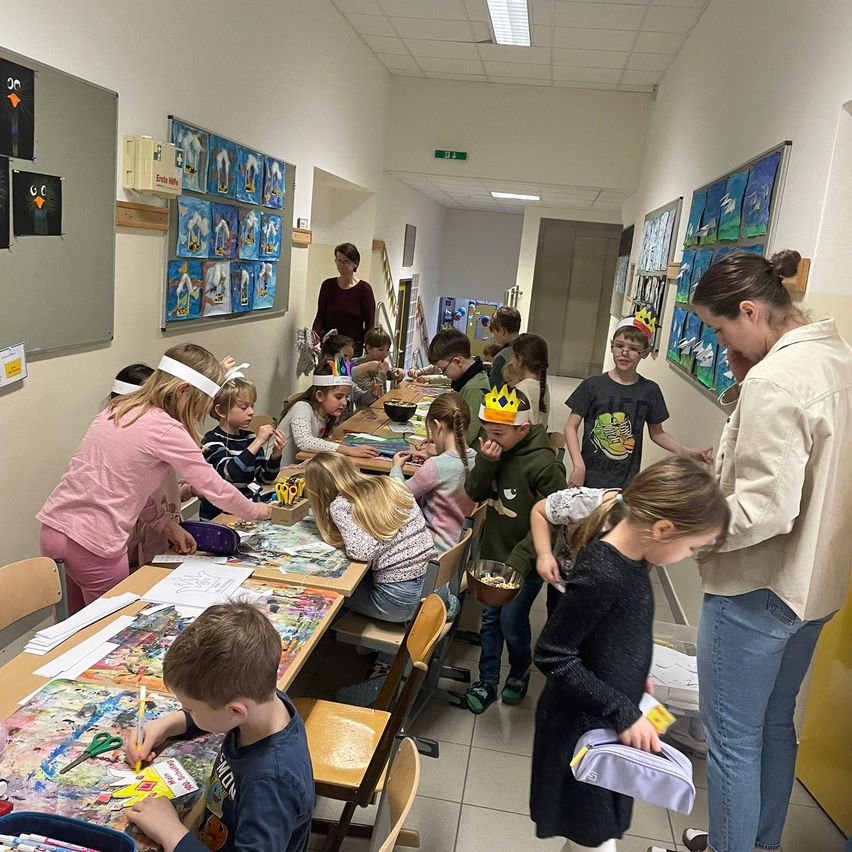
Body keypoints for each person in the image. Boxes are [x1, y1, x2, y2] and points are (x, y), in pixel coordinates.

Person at [671, 250, 852, 852]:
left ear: (749, 310)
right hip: (814, 589)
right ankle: (759, 845)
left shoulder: (778, 379)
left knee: (733, 744)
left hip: (757, 590)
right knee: (775, 728)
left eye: (721, 329)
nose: (721, 341)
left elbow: (765, 508)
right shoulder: (836, 357)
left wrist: (684, 536)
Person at [530, 457, 729, 852]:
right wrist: (621, 710)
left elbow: (610, 634)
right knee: (595, 834)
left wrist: (636, 675)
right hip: (582, 728)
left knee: (595, 835)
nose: (689, 555)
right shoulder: (605, 571)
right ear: (663, 529)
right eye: (692, 547)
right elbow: (553, 654)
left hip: (604, 718)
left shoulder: (635, 562)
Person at [38, 345, 271, 612]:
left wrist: (167, 526)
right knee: (108, 624)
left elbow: (128, 489)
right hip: (95, 544)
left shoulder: (118, 408)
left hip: (54, 530)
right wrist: (256, 511)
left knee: (73, 625)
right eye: (203, 401)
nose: (200, 412)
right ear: (183, 391)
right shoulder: (165, 427)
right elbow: (214, 487)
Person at [125, 602, 313, 852]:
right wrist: (166, 725)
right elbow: (217, 714)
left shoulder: (271, 783)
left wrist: (171, 832)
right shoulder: (266, 703)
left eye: (190, 708)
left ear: (235, 710)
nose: (187, 712)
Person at [463, 385, 566, 714]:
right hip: (492, 555)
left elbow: (553, 522)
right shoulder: (493, 451)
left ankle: (519, 670)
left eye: (498, 432)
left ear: (523, 428)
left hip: (525, 562)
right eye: (486, 430)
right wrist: (486, 462)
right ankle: (488, 679)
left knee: (511, 620)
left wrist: (518, 564)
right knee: (490, 621)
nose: (490, 437)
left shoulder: (545, 466)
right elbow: (475, 492)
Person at [564, 311, 712, 489]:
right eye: (619, 346)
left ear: (645, 353)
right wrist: (579, 465)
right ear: (611, 346)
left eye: (633, 349)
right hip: (589, 475)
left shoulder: (650, 391)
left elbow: (657, 433)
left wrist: (687, 452)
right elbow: (570, 426)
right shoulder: (592, 385)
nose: (624, 353)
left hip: (626, 480)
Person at [304, 452, 436, 623]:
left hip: (399, 601)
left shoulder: (341, 504)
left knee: (326, 591)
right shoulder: (390, 483)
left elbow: (363, 552)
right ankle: (445, 606)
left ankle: (346, 643)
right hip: (431, 582)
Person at [109, 363, 192, 570]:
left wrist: (189, 490)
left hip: (163, 542)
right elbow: (142, 501)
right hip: (138, 550)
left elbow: (165, 495)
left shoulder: (156, 444)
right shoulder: (129, 452)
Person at [390, 391, 476, 553]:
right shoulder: (477, 460)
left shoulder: (436, 466)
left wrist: (396, 468)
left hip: (432, 550)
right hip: (458, 551)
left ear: (437, 426)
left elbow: (399, 496)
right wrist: (437, 455)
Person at [199, 377, 285, 520]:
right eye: (244, 407)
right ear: (221, 411)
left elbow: (265, 478)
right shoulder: (211, 441)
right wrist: (258, 442)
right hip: (219, 516)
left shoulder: (249, 438)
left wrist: (276, 454)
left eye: (252, 406)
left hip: (246, 509)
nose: (251, 412)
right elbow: (231, 474)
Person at [531, 484, 620, 618]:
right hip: (566, 586)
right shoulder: (583, 501)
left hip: (604, 596)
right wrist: (544, 555)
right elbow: (540, 511)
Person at [277, 359, 379, 467]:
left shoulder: (328, 414)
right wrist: (348, 450)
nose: (344, 402)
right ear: (320, 396)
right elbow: (304, 441)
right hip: (277, 473)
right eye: (338, 397)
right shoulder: (302, 407)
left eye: (346, 396)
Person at [427, 328, 490, 447]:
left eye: (443, 369)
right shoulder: (474, 379)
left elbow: (466, 436)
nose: (444, 374)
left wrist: (437, 450)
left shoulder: (473, 389)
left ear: (457, 361)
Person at [312, 242, 375, 355]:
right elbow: (320, 316)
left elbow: (370, 323)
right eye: (339, 261)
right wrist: (315, 335)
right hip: (330, 345)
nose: (342, 265)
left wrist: (369, 348)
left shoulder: (364, 289)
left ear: (355, 263)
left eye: (346, 261)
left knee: (348, 373)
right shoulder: (327, 285)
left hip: (353, 347)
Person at [504, 332, 551, 427]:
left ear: (520, 360)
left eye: (513, 356)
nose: (511, 361)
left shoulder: (519, 390)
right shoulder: (542, 385)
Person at [352, 326, 405, 408]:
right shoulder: (360, 367)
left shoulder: (379, 361)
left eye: (387, 350)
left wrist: (397, 373)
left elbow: (389, 373)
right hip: (365, 411)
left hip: (380, 406)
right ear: (369, 348)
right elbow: (370, 392)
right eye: (381, 350)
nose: (385, 354)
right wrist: (382, 373)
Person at [488, 306, 522, 387]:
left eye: (494, 332)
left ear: (501, 331)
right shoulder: (528, 349)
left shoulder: (502, 357)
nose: (494, 337)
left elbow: (494, 390)